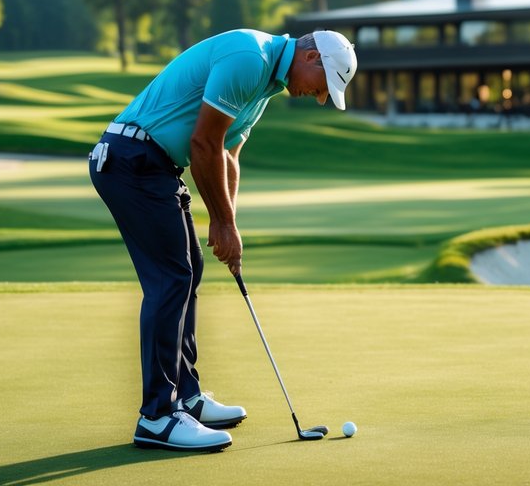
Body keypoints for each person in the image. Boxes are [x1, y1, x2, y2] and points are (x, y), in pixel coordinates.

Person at [88, 29, 357, 453]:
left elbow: (229, 153)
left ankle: (186, 397)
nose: (320, 96)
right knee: (171, 278)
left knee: (187, 269)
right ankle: (157, 417)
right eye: (324, 86)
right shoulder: (249, 58)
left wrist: (231, 224)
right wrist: (221, 224)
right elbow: (203, 144)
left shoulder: (266, 83)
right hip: (131, 160)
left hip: (154, 166)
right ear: (310, 57)